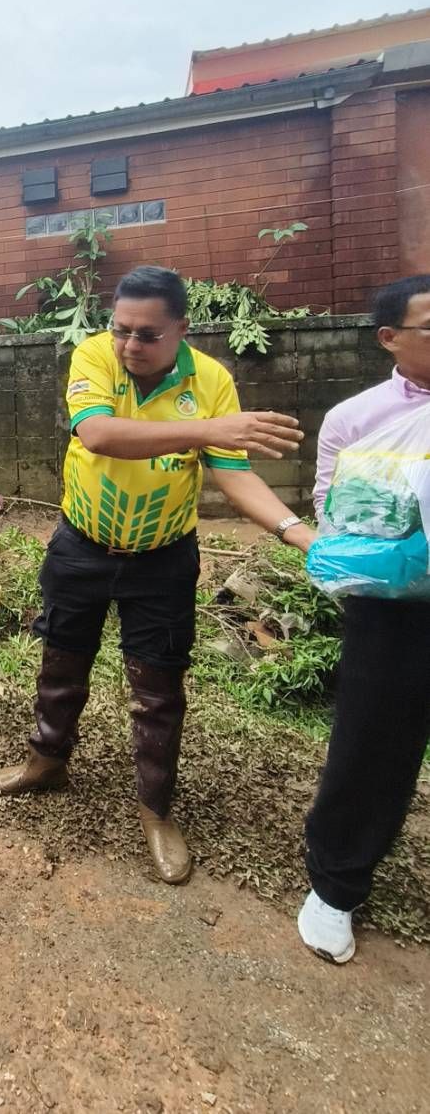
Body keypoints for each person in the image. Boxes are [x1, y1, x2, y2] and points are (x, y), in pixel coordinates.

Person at [0, 265, 316, 883]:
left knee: (159, 690)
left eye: (148, 334)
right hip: (80, 547)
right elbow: (100, 434)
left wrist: (297, 533)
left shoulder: (210, 380)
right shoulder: (94, 357)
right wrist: (206, 429)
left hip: (163, 557)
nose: (131, 345)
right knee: (61, 661)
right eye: (122, 330)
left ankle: (156, 810)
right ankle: (46, 759)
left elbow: (233, 472)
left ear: (182, 330)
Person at [298, 273, 430, 964]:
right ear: (391, 338)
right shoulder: (358, 418)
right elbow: (335, 522)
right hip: (395, 611)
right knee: (373, 747)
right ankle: (337, 883)